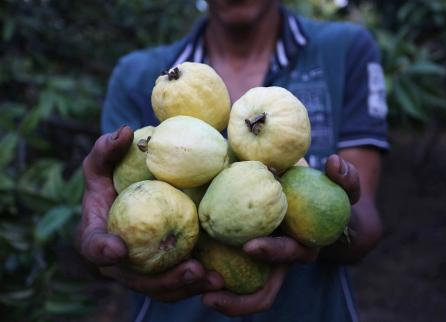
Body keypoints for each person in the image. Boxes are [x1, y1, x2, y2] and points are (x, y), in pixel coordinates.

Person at [78, 0, 389, 321]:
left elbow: (364, 226)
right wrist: (104, 238)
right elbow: (104, 226)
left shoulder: (344, 50)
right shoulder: (136, 75)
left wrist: (329, 226)